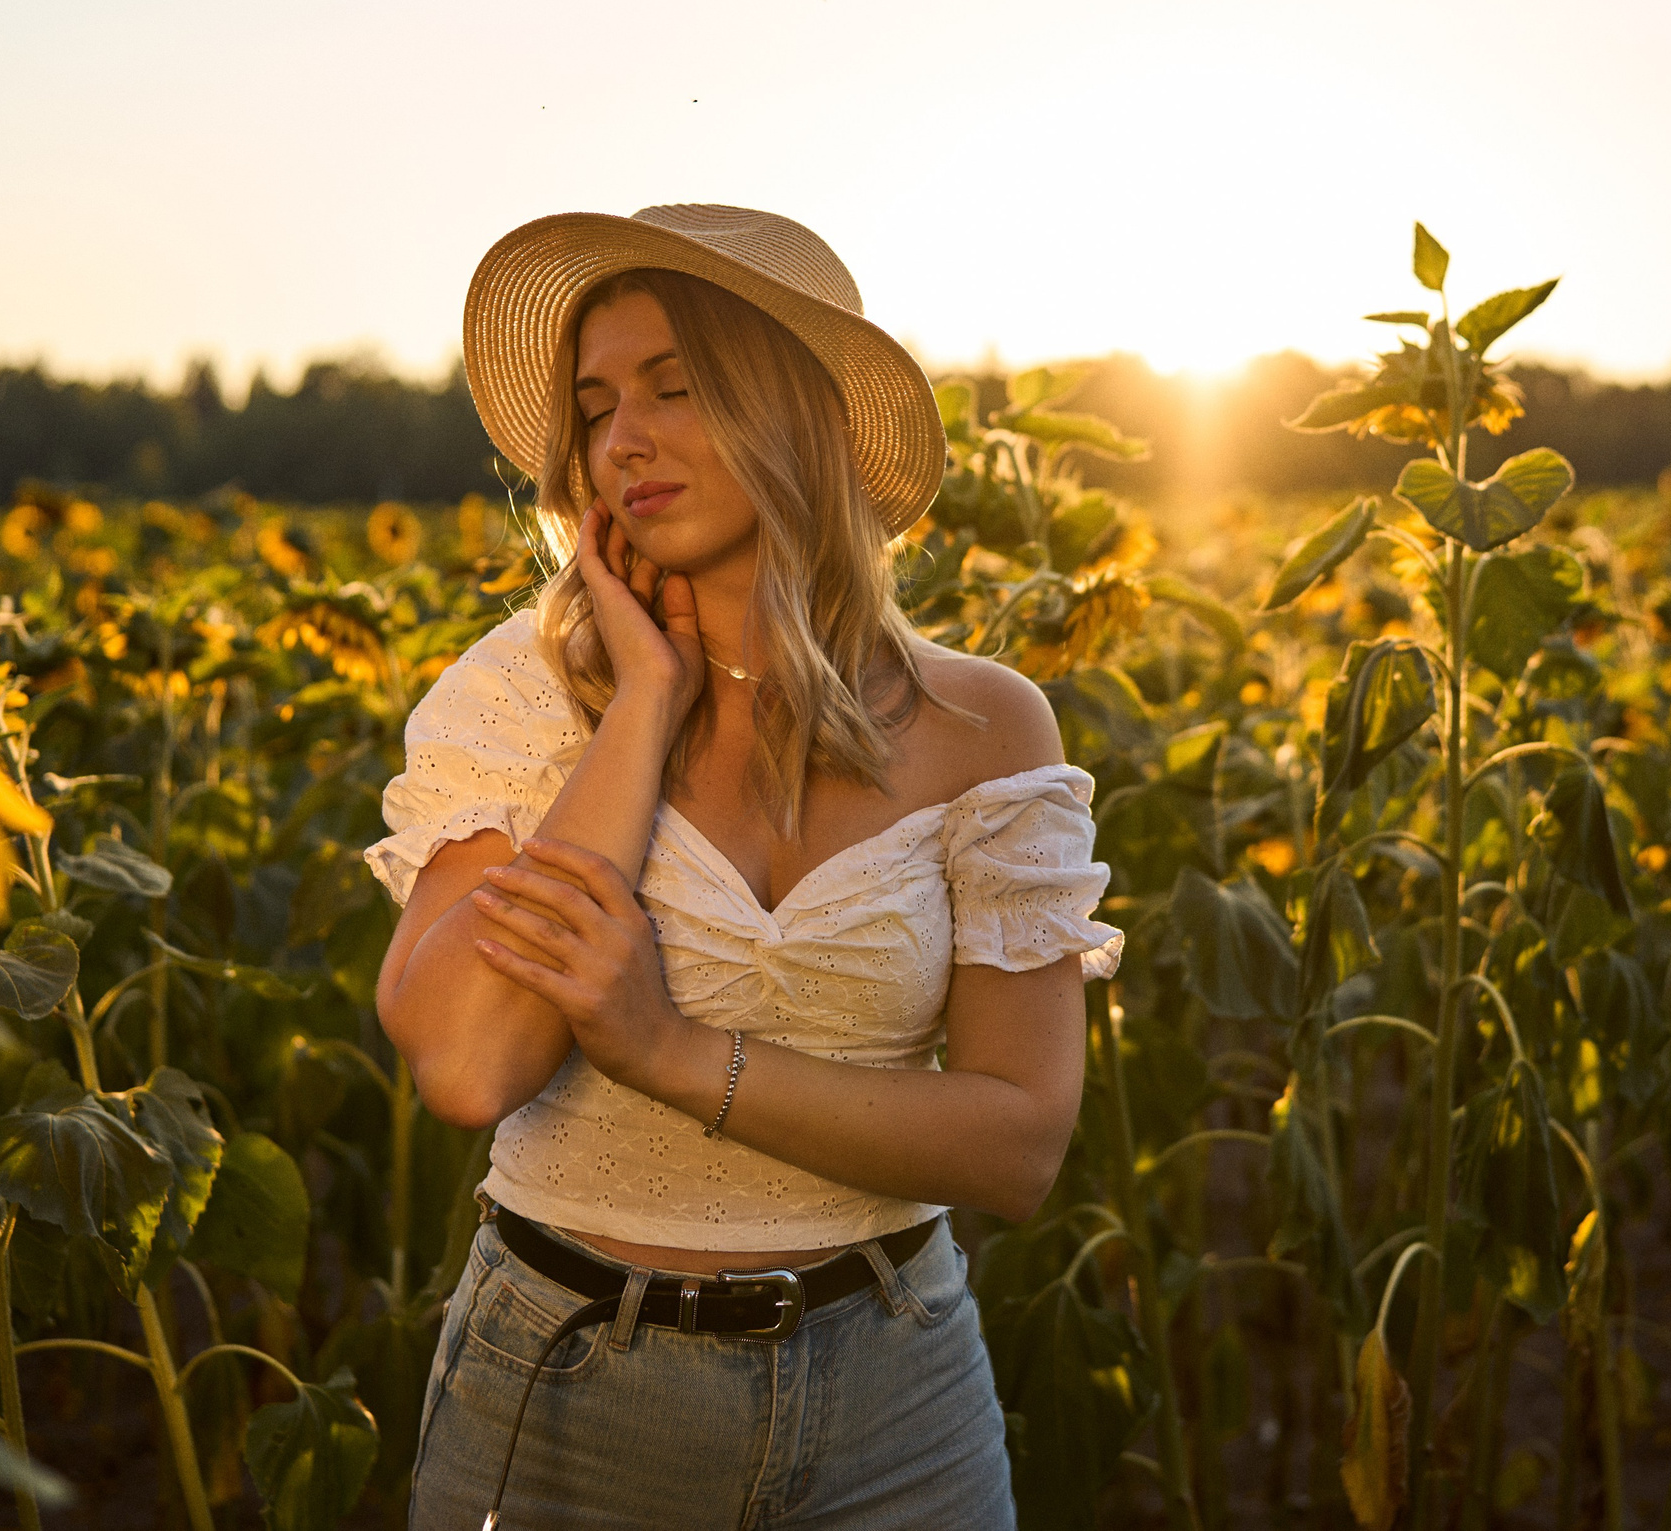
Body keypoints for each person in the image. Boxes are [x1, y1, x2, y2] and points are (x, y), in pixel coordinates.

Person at [364, 205, 1123, 1529]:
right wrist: (643, 709)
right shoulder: (528, 700)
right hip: (575, 1395)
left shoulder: (985, 727)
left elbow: (1018, 1142)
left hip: (900, 1399)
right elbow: (473, 1065)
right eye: (596, 407)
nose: (624, 439)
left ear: (802, 416)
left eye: (676, 386)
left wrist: (666, 1050)